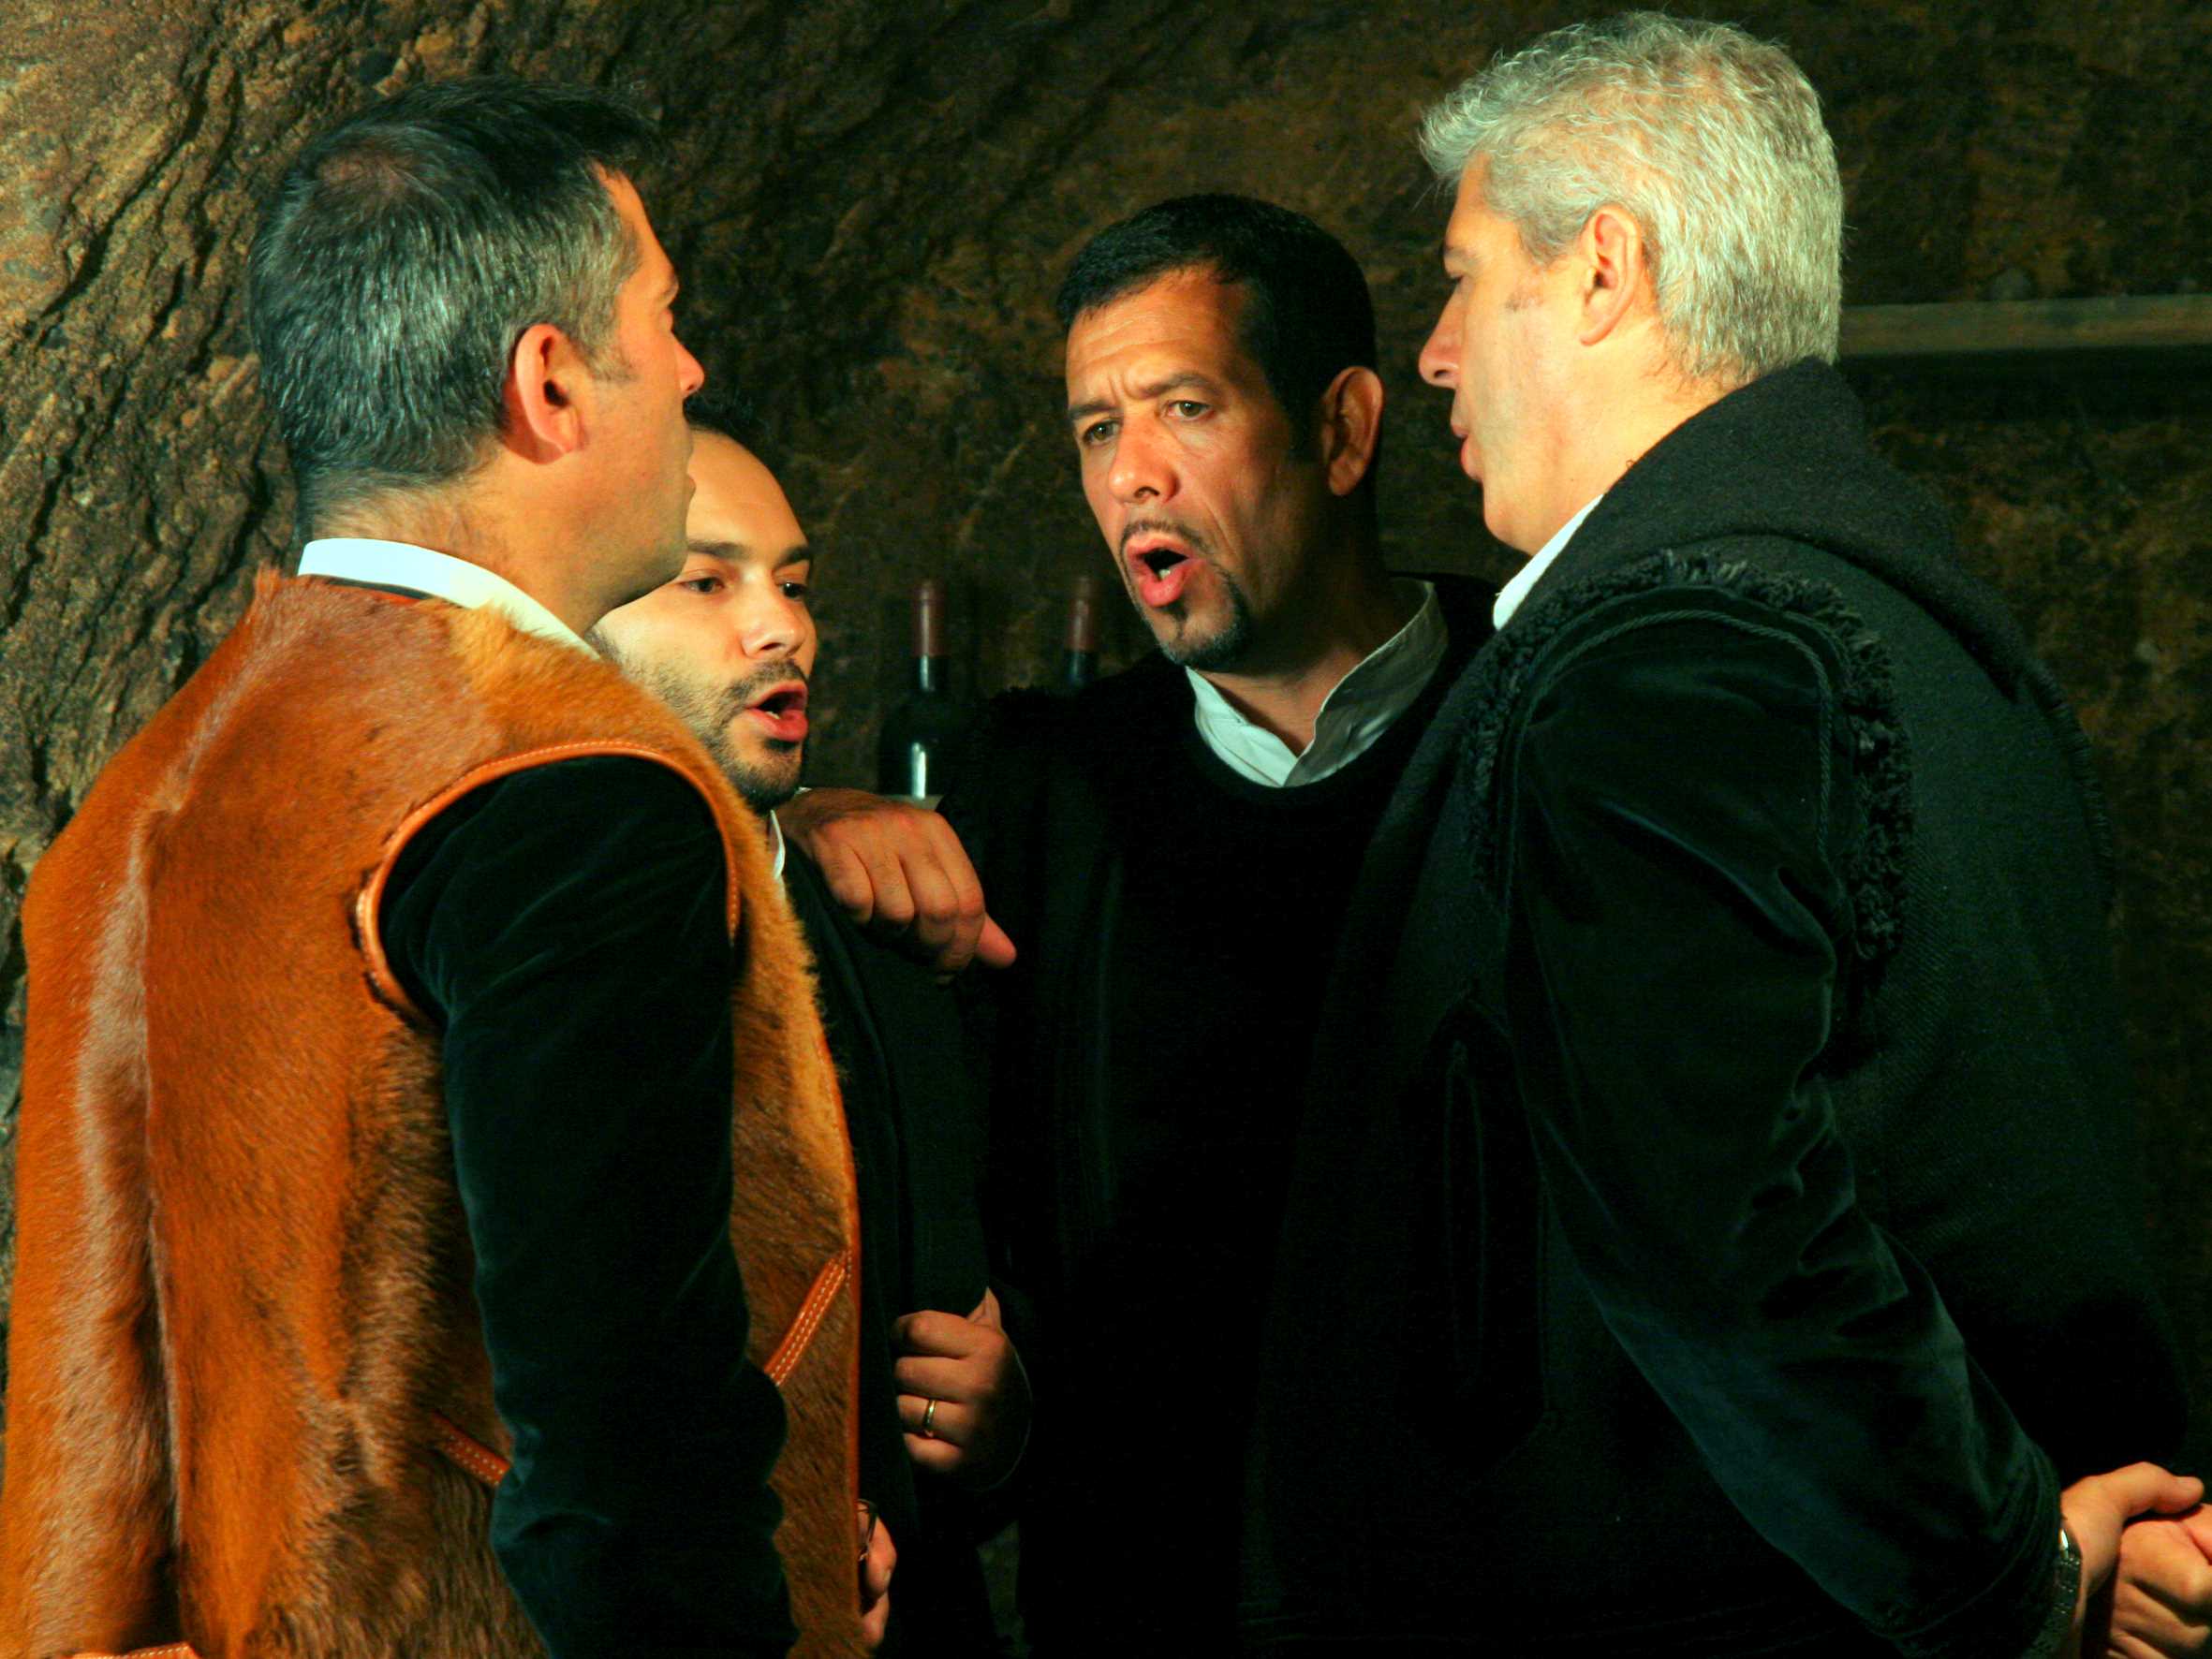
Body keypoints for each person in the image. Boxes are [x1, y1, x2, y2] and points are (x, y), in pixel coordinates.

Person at [1241, 14, 2198, 1655]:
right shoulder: (1923, 630)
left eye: (1463, 278)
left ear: (1603, 270)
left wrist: (2005, 1574)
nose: (1436, 354)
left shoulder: (1675, 652)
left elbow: (1716, 1230)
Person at [0, 80, 885, 1658]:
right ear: (548, 382)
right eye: (664, 317)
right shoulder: (565, 785)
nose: (692, 369)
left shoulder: (154, 789)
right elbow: (621, 1460)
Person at [786, 194, 1500, 1654]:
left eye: (1185, 407)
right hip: (1146, 1610)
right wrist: (792, 825)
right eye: (1096, 429)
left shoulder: (1541, 708)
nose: (1132, 476)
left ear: (1342, 430)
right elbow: (962, 1197)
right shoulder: (1035, 789)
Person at [592, 400, 1030, 1657]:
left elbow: (991, 1286)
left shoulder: (895, 940)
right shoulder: (537, 964)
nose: (782, 624)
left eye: (793, 582)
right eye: (706, 581)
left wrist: (999, 1423)